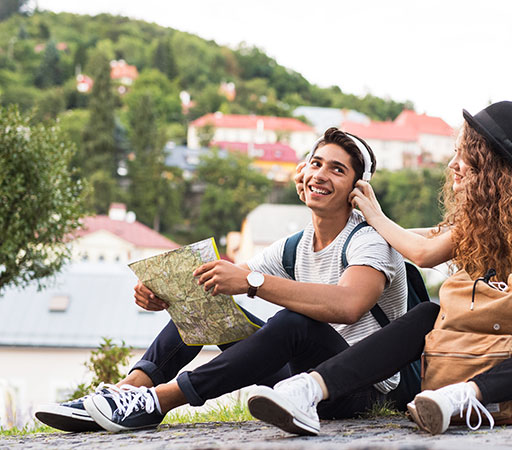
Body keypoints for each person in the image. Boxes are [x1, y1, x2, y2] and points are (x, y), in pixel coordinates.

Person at [246, 101, 512, 435]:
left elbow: (425, 252)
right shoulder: (493, 208)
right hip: (495, 348)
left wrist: (373, 213)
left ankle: (468, 397)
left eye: (463, 154)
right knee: (428, 313)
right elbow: (422, 235)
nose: (452, 165)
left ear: (487, 160)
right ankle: (307, 390)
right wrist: (348, 220)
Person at [34, 128, 408, 433]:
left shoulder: (370, 241)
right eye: (316, 164)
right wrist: (165, 294)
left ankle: (160, 401)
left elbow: (348, 304)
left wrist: (254, 283)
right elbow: (224, 279)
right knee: (203, 301)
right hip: (299, 381)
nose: (321, 175)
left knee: (295, 323)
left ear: (358, 190)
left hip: (359, 388)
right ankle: (127, 392)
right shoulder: (295, 247)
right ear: (302, 173)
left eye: (337, 170)